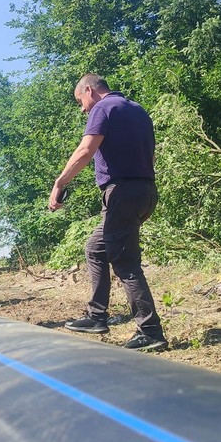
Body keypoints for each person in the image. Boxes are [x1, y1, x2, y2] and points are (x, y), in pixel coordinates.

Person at [48, 74, 168, 351]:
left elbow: (86, 149)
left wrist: (60, 182)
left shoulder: (103, 108)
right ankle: (96, 316)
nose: (82, 109)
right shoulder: (137, 110)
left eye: (81, 101)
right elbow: (151, 155)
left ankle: (150, 331)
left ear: (89, 90)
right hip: (146, 190)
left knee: (125, 262)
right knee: (96, 248)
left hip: (122, 193)